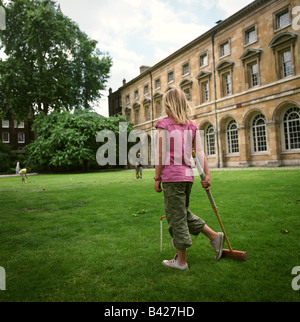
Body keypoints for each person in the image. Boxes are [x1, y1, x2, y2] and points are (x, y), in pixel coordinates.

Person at [154, 88, 224, 271]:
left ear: (167, 104)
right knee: (182, 213)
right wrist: (207, 174)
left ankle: (181, 261)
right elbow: (200, 152)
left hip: (172, 177)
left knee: (176, 218)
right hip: (187, 176)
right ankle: (214, 237)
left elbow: (160, 154)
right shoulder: (192, 125)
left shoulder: (164, 124)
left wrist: (156, 177)